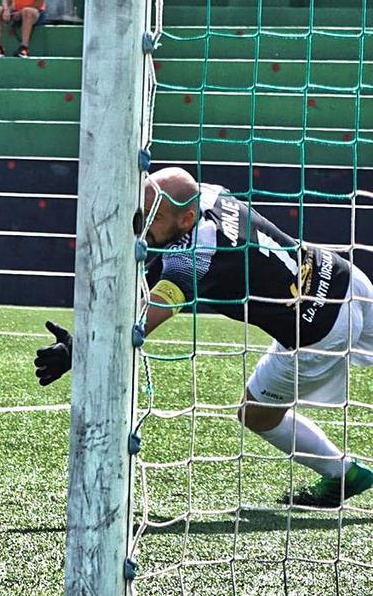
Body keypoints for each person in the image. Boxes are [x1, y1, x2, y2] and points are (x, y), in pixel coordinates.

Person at [34, 167, 373, 508]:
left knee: (255, 414)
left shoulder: (192, 258)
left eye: (155, 217)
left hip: (317, 328)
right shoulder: (212, 192)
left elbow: (140, 324)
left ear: (186, 220)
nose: (142, 225)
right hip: (343, 276)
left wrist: (78, 349)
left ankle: (343, 473)